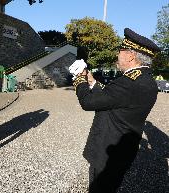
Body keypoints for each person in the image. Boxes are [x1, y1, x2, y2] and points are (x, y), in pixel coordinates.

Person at [71, 28, 160, 192]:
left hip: (108, 152)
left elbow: (88, 102)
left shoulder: (128, 83)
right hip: (123, 152)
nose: (117, 55)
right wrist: (92, 81)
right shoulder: (146, 80)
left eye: (120, 51)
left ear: (131, 56)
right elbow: (114, 97)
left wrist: (80, 79)